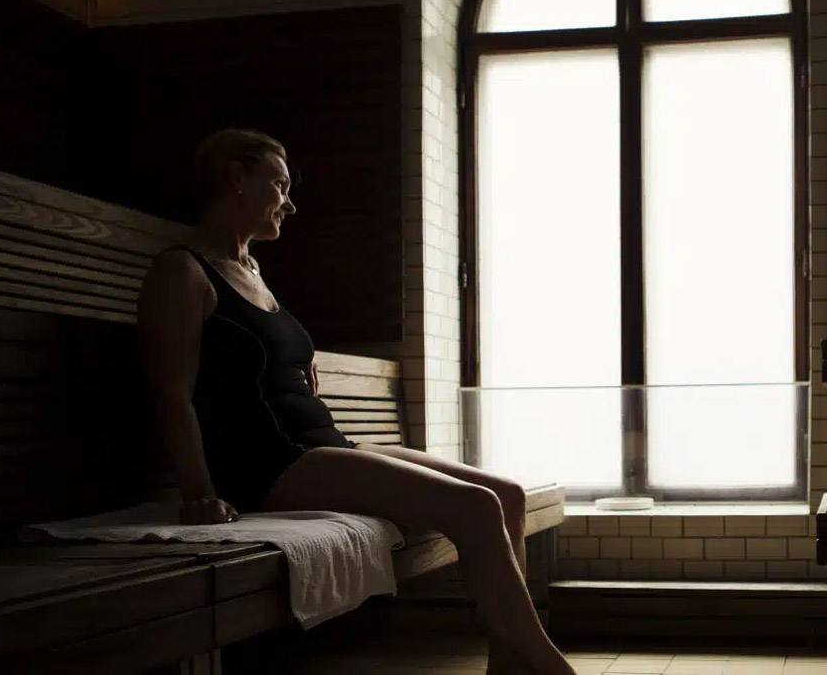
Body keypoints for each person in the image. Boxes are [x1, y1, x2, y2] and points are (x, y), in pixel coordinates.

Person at [137, 129, 573, 675]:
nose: (290, 203)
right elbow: (172, 391)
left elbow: (262, 359)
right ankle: (549, 666)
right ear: (236, 178)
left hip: (320, 446)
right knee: (477, 507)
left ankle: (510, 666)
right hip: (267, 463)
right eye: (279, 185)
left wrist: (294, 361)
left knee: (505, 494)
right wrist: (199, 493)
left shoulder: (252, 271)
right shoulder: (182, 271)